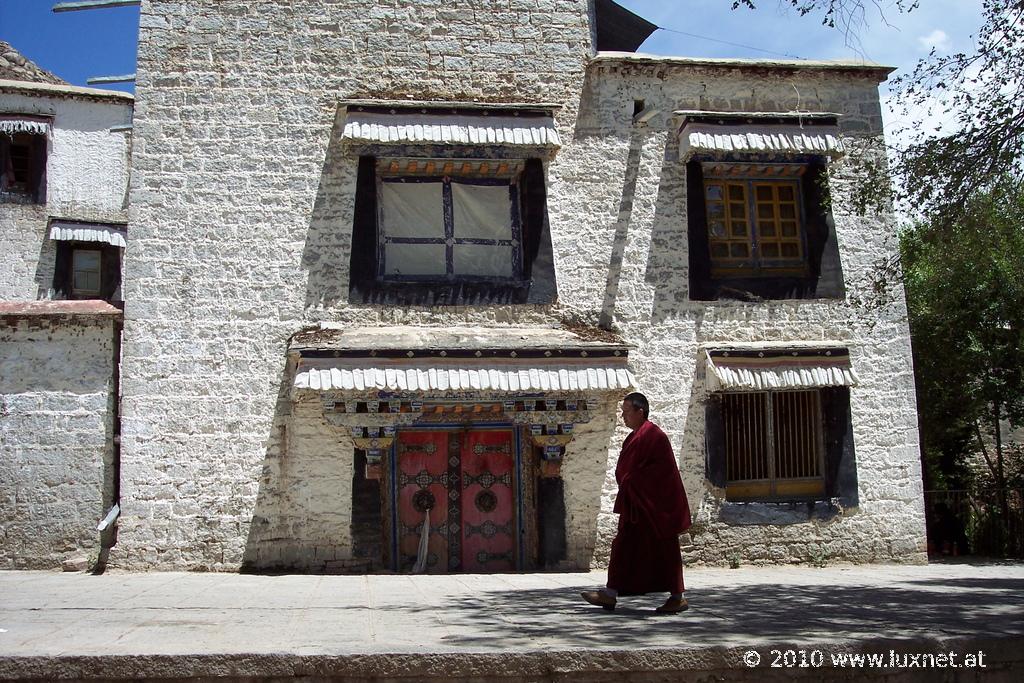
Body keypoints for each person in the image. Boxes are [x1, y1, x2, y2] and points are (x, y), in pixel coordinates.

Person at [581, 392, 692, 614]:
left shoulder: (653, 436)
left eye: (626, 412)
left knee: (665, 550)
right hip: (638, 505)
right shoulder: (636, 436)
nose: (623, 417)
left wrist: (632, 480)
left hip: (656, 507)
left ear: (640, 412)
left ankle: (678, 597)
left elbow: (660, 473)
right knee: (624, 547)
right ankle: (610, 594)